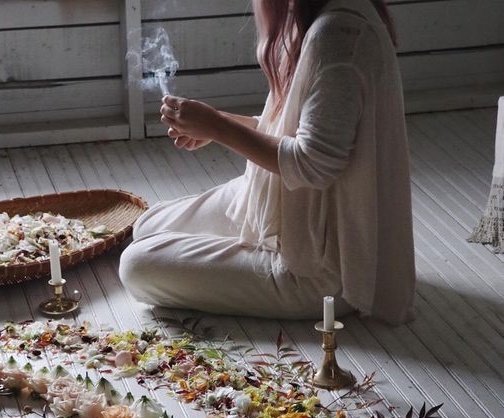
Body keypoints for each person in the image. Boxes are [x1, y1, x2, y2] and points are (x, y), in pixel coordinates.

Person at [119, 0, 415, 324]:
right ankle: (237, 251)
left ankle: (254, 260)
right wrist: (216, 122)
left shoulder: (338, 35)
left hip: (322, 266)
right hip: (283, 207)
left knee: (135, 265)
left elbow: (311, 163)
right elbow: (296, 128)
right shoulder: (317, 14)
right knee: (145, 227)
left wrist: (218, 127)